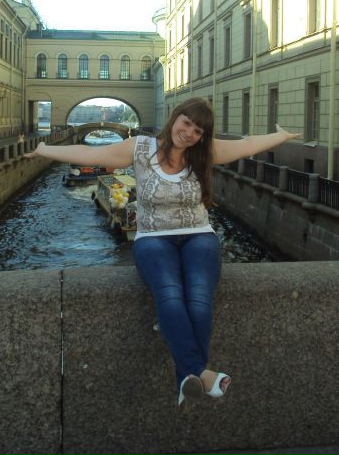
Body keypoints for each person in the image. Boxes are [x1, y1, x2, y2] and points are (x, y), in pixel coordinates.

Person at [25, 97, 300, 410]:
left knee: (199, 299)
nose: (189, 133)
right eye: (187, 123)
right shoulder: (140, 148)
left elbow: (246, 145)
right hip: (153, 237)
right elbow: (90, 154)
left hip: (198, 235)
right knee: (169, 295)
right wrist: (45, 149)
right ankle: (198, 372)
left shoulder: (202, 153)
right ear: (175, 118)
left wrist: (281, 136)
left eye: (198, 130)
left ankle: (189, 378)